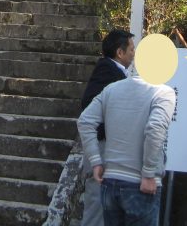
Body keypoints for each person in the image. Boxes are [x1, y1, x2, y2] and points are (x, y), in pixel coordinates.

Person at [78, 64, 176, 226]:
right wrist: (149, 172)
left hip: (110, 182)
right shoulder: (163, 92)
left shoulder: (111, 89)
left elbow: (85, 121)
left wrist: (96, 161)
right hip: (141, 185)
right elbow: (154, 128)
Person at [80, 30, 134, 226]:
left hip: (108, 148)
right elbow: (88, 107)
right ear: (120, 53)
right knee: (96, 205)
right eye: (131, 49)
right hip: (101, 147)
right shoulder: (107, 71)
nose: (133, 53)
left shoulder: (115, 71)